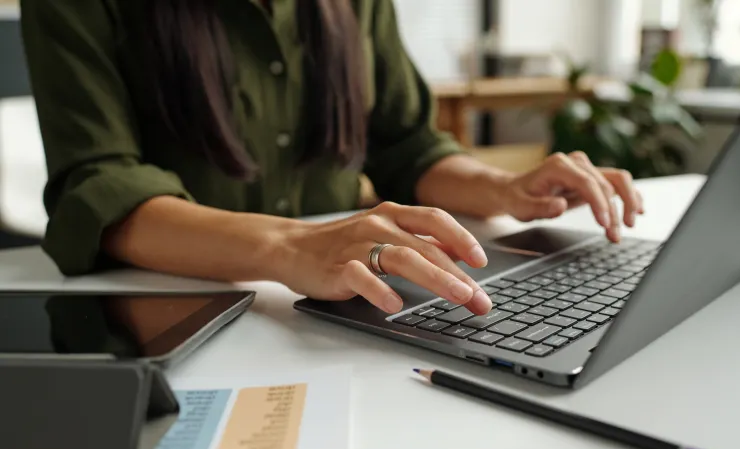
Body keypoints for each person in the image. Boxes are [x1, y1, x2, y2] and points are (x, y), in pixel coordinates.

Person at [21, 0, 643, 317]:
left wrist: (504, 188)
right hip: (171, 317)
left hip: (346, 311)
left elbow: (406, 143)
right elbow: (99, 190)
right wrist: (290, 248)